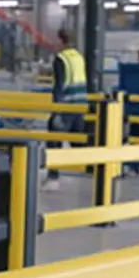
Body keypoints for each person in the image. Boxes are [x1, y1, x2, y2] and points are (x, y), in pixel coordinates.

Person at [46, 29, 88, 185]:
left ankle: (53, 177)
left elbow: (59, 85)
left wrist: (56, 109)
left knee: (53, 139)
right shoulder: (78, 56)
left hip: (66, 106)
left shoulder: (61, 59)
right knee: (77, 140)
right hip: (80, 104)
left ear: (60, 41)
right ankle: (98, 167)